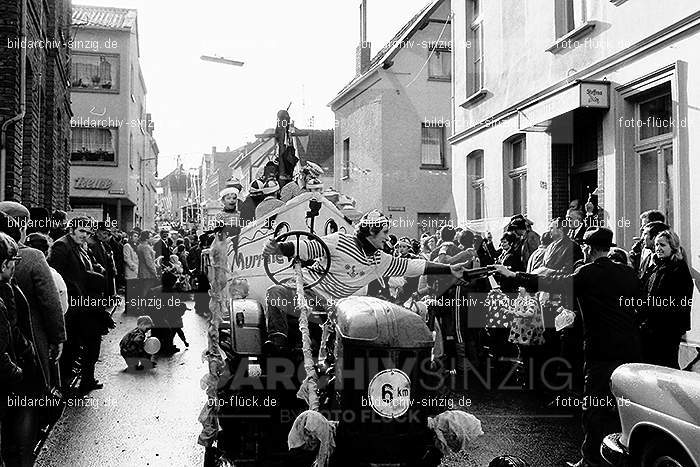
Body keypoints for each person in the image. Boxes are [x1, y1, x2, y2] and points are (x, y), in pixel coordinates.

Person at [494, 227, 643, 467]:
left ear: (588, 248)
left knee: (594, 407)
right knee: (623, 404)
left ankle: (591, 459)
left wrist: (512, 275)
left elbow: (552, 283)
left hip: (600, 350)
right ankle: (623, 455)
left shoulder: (587, 273)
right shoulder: (628, 273)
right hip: (630, 349)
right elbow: (641, 305)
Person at [261, 209, 471, 353]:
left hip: (335, 308)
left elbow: (413, 266)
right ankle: (278, 340)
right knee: (275, 292)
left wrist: (449, 269)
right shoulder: (339, 241)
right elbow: (305, 248)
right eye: (385, 233)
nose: (388, 238)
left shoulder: (380, 260)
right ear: (371, 231)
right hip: (307, 294)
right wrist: (278, 248)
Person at [0, 203, 65, 391]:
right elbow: (50, 302)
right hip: (30, 336)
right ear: (21, 225)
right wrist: (57, 337)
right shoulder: (33, 257)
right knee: (33, 394)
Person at [0, 231, 48, 467]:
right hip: (10, 379)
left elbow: (12, 327)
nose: (14, 268)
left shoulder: (7, 287)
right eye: (12, 263)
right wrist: (17, 372)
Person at [48, 217, 108, 393]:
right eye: (82, 231)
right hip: (74, 306)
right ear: (71, 229)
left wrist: (97, 270)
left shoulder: (79, 246)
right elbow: (56, 277)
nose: (85, 235)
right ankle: (66, 384)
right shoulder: (62, 246)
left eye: (88, 232)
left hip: (86, 304)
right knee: (73, 346)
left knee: (91, 343)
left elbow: (87, 265)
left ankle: (87, 379)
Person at [639, 230, 693, 369]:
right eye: (657, 245)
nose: (658, 248)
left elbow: (679, 302)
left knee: (666, 368)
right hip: (652, 327)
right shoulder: (658, 266)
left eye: (662, 245)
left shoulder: (678, 269)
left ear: (673, 247)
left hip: (666, 330)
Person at [25, 233, 69, 315]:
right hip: (44, 321)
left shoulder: (14, 270)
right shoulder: (53, 275)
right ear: (47, 252)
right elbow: (62, 307)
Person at [87, 222, 116, 299]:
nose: (106, 236)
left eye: (107, 233)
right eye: (104, 233)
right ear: (97, 232)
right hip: (96, 276)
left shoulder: (100, 243)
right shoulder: (92, 243)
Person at [123, 230, 139, 312]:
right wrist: (134, 267)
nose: (137, 238)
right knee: (129, 291)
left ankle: (133, 307)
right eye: (135, 236)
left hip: (136, 272)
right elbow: (127, 258)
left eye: (137, 236)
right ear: (130, 237)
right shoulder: (127, 246)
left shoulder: (135, 246)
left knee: (134, 291)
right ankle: (128, 308)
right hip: (131, 271)